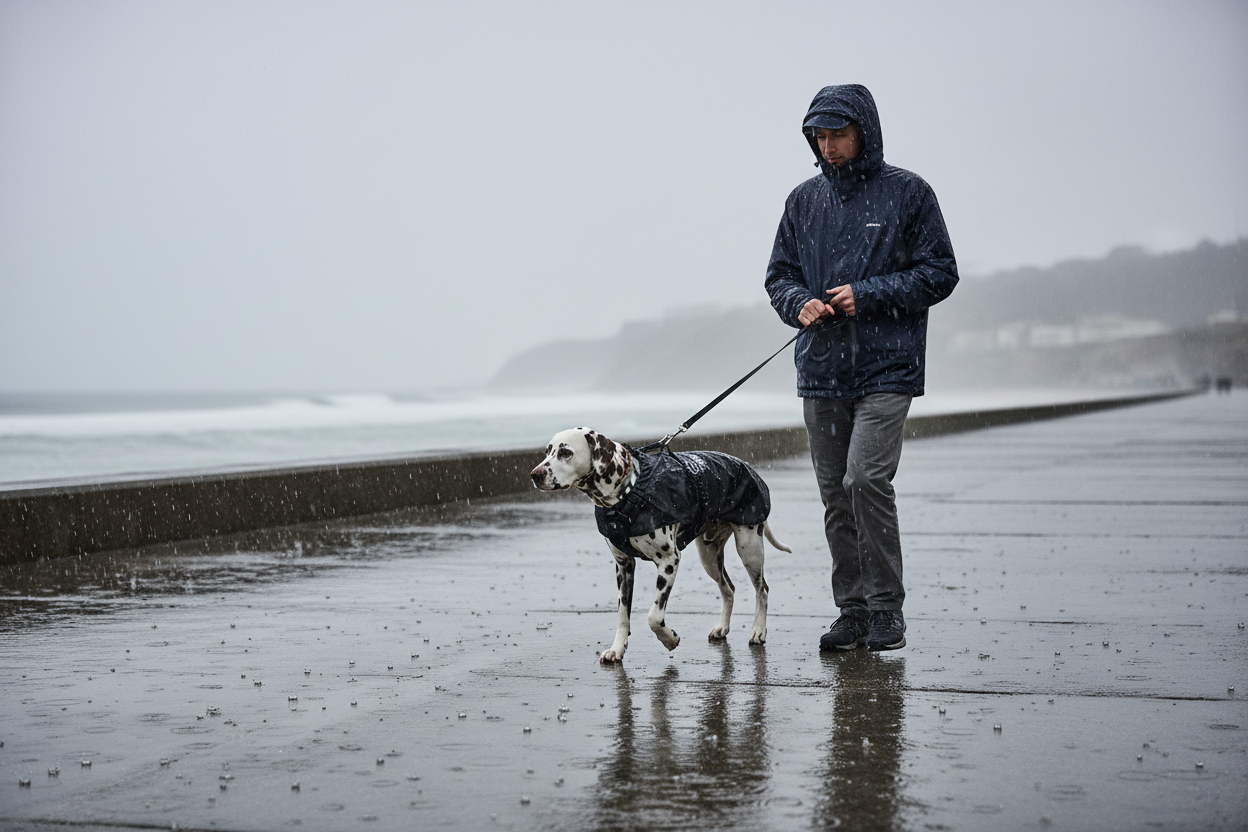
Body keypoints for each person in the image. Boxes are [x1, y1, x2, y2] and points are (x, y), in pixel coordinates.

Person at [764, 84, 958, 652]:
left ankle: (886, 610)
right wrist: (798, 303)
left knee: (865, 479)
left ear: (864, 133)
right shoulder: (802, 201)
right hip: (821, 370)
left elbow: (940, 272)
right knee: (834, 494)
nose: (828, 147)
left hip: (887, 368)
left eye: (839, 135)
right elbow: (779, 276)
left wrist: (867, 295)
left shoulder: (909, 192)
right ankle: (851, 613)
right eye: (819, 137)